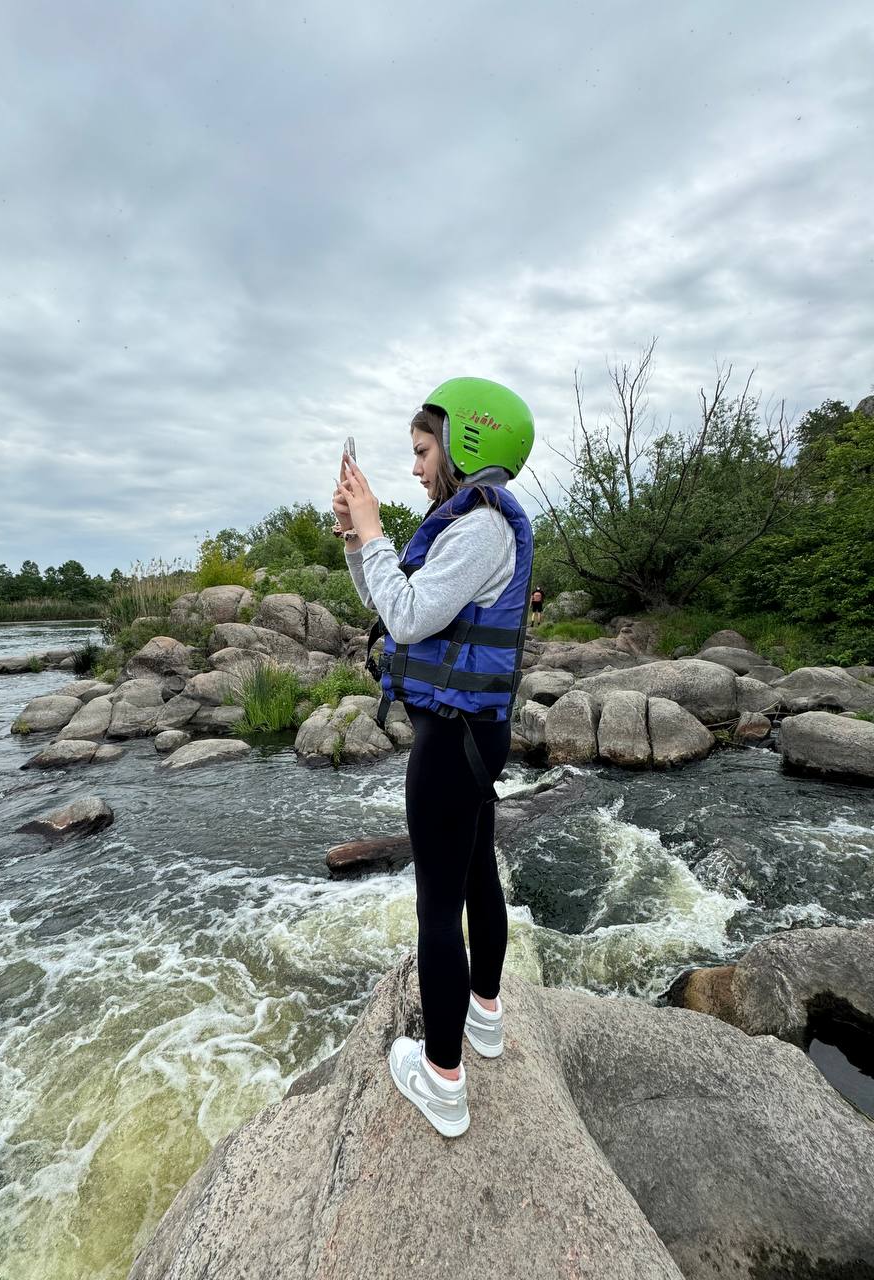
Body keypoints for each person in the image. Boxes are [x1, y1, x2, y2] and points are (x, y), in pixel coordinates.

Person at [333, 377, 535, 1139]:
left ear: (464, 446)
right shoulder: (469, 527)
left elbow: (411, 616)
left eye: (422, 450)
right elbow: (391, 601)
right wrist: (360, 539)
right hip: (469, 732)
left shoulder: (478, 529)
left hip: (450, 743)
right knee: (478, 868)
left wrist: (376, 527)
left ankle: (443, 1078)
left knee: (437, 904)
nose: (417, 467)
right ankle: (484, 1015)